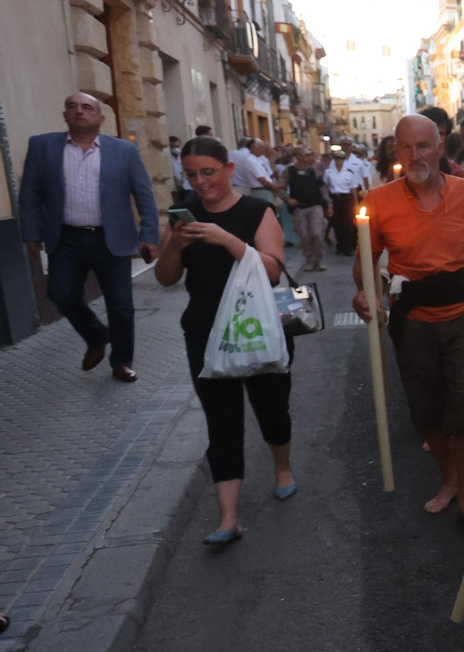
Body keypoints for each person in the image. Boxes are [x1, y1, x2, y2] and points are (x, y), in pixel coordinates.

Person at [153, 136, 296, 545]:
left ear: (229, 170)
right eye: (192, 174)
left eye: (208, 172)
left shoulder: (257, 211)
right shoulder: (184, 218)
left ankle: (282, 468)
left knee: (272, 409)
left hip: (259, 330)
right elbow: (165, 278)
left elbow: (271, 271)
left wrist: (226, 239)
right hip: (204, 332)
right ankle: (228, 517)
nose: (200, 182)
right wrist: (176, 245)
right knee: (222, 422)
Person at [354, 115, 464, 526]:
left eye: (424, 146)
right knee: (425, 414)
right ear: (396, 152)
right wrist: (364, 292)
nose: (416, 156)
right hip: (411, 318)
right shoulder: (377, 201)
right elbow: (365, 261)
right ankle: (447, 479)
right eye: (406, 148)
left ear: (439, 147)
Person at [17, 93, 159, 382]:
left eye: (87, 107)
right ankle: (96, 334)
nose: (79, 111)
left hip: (112, 238)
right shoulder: (42, 146)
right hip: (66, 238)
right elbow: (29, 193)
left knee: (120, 304)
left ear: (100, 118)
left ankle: (121, 361)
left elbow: (143, 193)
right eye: (72, 106)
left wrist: (149, 234)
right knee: (60, 292)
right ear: (65, 115)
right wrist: (31, 234)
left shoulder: (123, 151)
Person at [284, 149, 331, 271]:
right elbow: (280, 188)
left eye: (310, 154)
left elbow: (323, 189)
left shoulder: (313, 171)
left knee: (316, 233)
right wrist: (288, 199)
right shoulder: (290, 171)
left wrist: (329, 204)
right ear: (298, 156)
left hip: (315, 206)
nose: (309, 157)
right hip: (299, 207)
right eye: (306, 155)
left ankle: (319, 259)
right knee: (304, 235)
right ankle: (309, 259)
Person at [324, 146, 365, 255]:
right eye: (337, 159)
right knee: (336, 223)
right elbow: (325, 187)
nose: (339, 161)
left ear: (343, 160)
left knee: (347, 223)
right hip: (334, 198)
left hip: (345, 198)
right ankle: (340, 245)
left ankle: (347, 247)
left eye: (341, 159)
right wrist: (327, 202)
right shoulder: (328, 172)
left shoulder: (349, 172)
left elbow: (353, 189)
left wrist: (356, 204)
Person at [418, 106, 464, 177]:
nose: (436, 138)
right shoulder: (410, 171)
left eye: (440, 134)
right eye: (430, 133)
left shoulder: (456, 173)